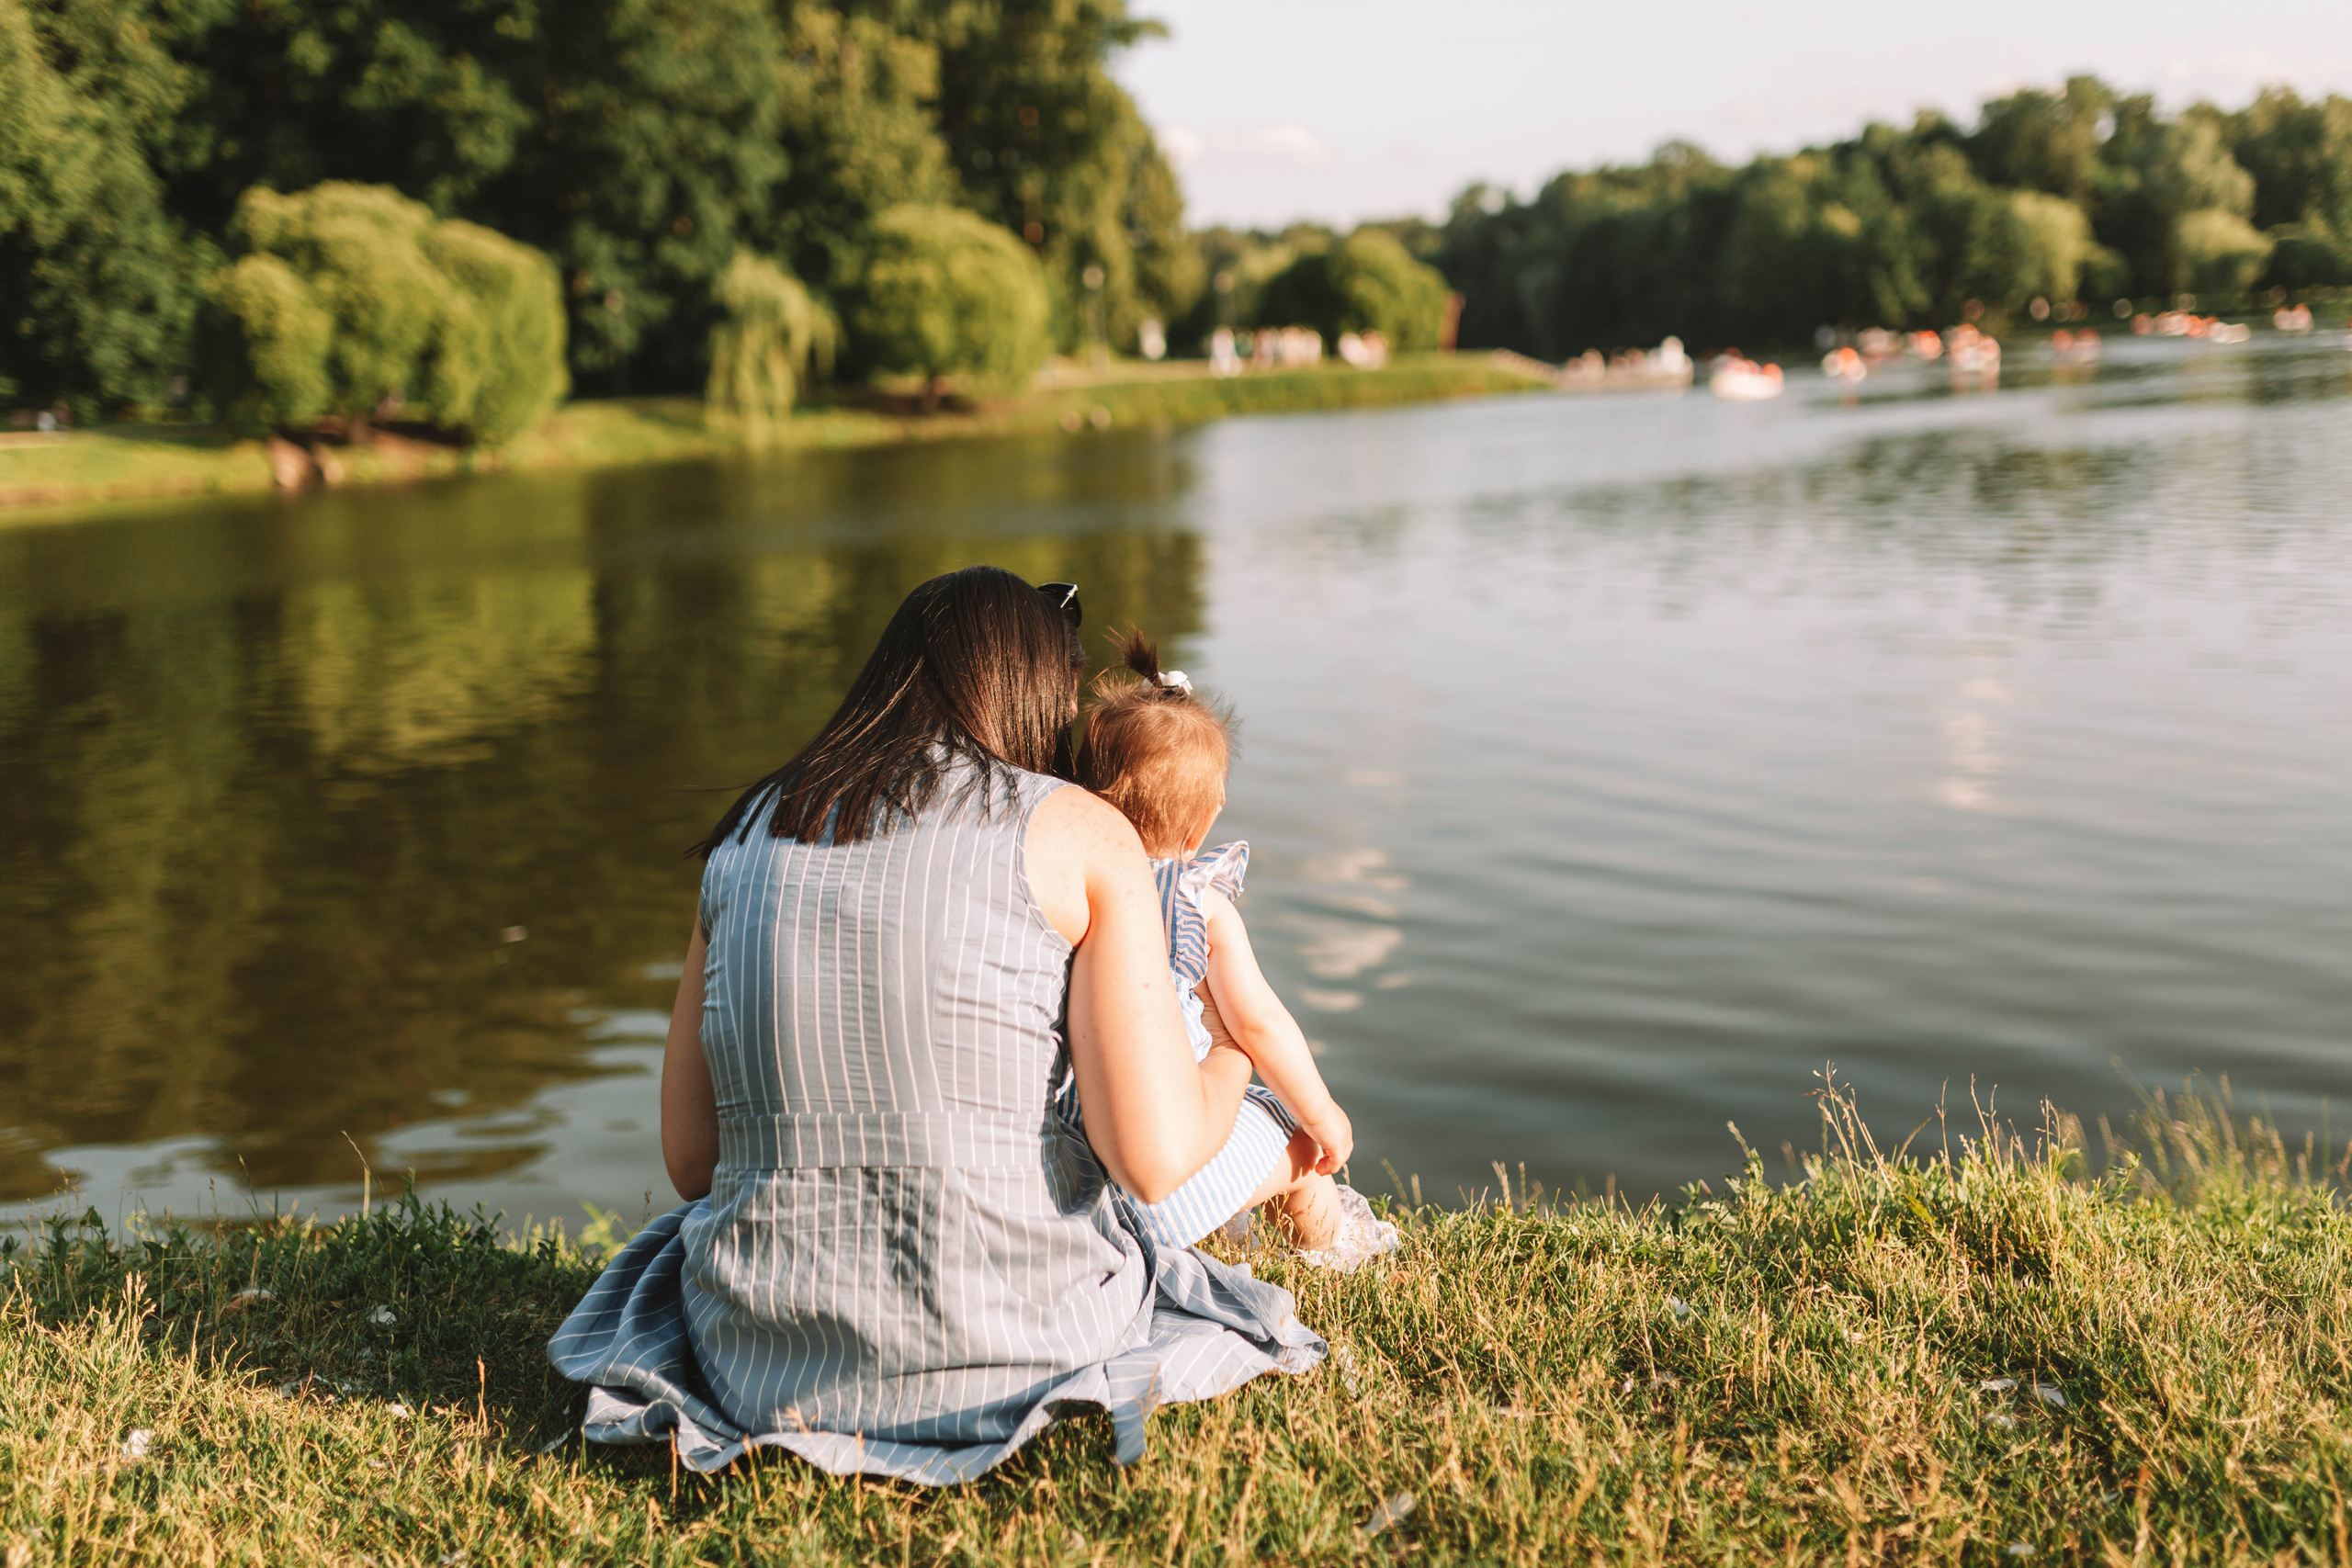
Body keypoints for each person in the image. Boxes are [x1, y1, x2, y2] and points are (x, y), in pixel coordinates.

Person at [548, 568, 1323, 1485]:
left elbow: (691, 1160)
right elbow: (1150, 1161)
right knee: (1234, 1127)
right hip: (1021, 1347)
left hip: (757, 1367)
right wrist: (1233, 1059)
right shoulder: (1077, 829)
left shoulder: (746, 830)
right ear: (1039, 692)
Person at [1069, 630, 1398, 1269]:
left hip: (1087, 1158)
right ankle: (1341, 1255)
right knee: (1296, 1141)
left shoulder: (1076, 896)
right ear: (1204, 822)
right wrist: (1323, 1110)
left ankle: (1235, 1235)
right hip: (1171, 1168)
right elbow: (1256, 1024)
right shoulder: (1198, 902)